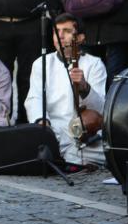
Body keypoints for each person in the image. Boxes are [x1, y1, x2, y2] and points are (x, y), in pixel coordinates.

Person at [25, 13, 106, 166]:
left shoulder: (95, 64)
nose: (60, 36)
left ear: (80, 38)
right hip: (54, 128)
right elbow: (34, 98)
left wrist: (84, 87)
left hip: (83, 132)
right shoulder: (41, 63)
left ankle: (65, 159)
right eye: (57, 31)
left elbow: (100, 109)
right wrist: (42, 123)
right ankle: (67, 158)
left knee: (110, 153)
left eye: (67, 31)